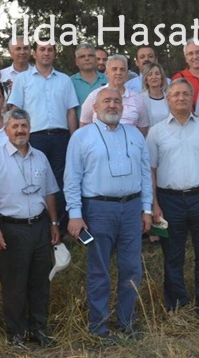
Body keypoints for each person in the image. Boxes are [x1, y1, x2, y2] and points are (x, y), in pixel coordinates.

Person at [64, 87, 153, 339]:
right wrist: (74, 214)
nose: (112, 105)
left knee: (132, 268)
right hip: (98, 209)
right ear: (94, 107)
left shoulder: (135, 134)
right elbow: (72, 179)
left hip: (132, 209)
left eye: (116, 101)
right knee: (99, 270)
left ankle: (126, 322)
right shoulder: (81, 137)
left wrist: (147, 209)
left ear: (123, 107)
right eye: (107, 101)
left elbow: (146, 174)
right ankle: (99, 327)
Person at [0, 108, 61, 348]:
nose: (20, 130)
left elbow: (49, 193)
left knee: (40, 282)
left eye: (24, 126)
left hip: (39, 227)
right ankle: (16, 334)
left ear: (30, 128)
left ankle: (39, 330)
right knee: (14, 285)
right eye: (15, 126)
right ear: (6, 130)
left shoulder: (40, 157)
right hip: (10, 229)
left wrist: (54, 223)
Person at [149, 78, 199, 314]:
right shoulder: (156, 132)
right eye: (175, 94)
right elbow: (150, 170)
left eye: (185, 94)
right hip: (169, 201)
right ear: (168, 99)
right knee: (173, 255)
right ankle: (177, 306)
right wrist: (153, 204)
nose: (181, 98)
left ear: (192, 98)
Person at [8, 41, 79, 229]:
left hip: (60, 137)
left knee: (61, 181)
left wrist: (74, 140)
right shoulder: (22, 80)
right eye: (42, 49)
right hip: (34, 138)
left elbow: (71, 112)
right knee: (34, 180)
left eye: (50, 50)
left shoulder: (65, 80)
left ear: (55, 53)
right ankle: (38, 225)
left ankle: (61, 226)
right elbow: (16, 111)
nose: (46, 53)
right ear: (35, 53)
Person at [80, 55, 152, 133]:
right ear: (107, 73)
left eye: (122, 70)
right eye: (114, 69)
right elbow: (84, 125)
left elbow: (143, 128)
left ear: (127, 73)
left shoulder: (137, 99)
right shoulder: (94, 96)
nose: (118, 73)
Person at [71, 43, 108, 118]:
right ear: (76, 61)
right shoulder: (69, 82)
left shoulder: (108, 80)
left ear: (95, 59)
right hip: (80, 128)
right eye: (82, 56)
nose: (87, 59)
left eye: (90, 55)